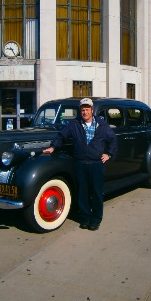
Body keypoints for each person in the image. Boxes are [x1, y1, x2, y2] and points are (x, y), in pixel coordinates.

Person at [43, 98, 117, 231]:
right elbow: (62, 136)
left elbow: (113, 139)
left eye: (87, 109)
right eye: (82, 109)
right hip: (80, 164)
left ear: (92, 110)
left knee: (96, 193)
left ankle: (95, 219)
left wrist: (109, 154)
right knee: (82, 193)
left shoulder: (101, 125)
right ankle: (85, 218)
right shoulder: (74, 124)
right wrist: (53, 147)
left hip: (96, 164)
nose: (84, 112)